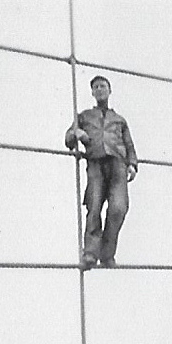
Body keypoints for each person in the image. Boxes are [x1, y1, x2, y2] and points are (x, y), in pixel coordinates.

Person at [65, 75, 137, 269]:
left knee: (118, 208)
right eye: (96, 87)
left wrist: (132, 164)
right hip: (96, 163)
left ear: (109, 90)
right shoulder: (85, 116)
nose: (99, 90)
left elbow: (129, 144)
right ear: (92, 92)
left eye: (103, 86)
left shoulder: (119, 120)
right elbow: (68, 139)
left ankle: (107, 253)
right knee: (94, 206)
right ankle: (90, 253)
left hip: (117, 165)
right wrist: (76, 134)